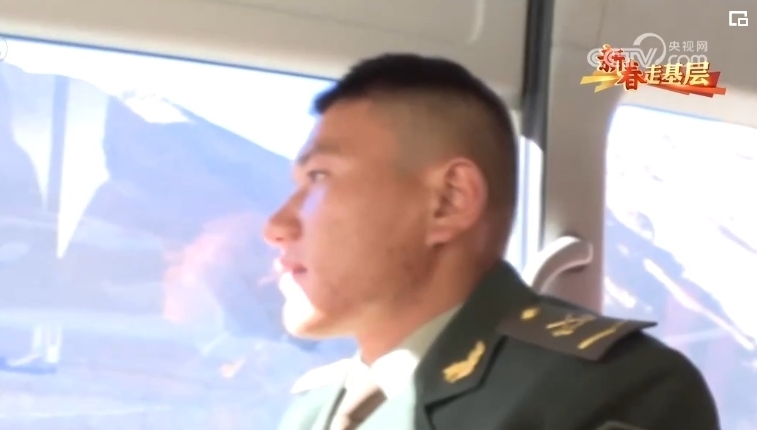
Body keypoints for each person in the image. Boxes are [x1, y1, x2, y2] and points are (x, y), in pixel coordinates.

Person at [263, 53, 720, 430]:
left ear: (448, 201)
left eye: (319, 177)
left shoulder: (610, 392)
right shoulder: (313, 409)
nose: (277, 226)